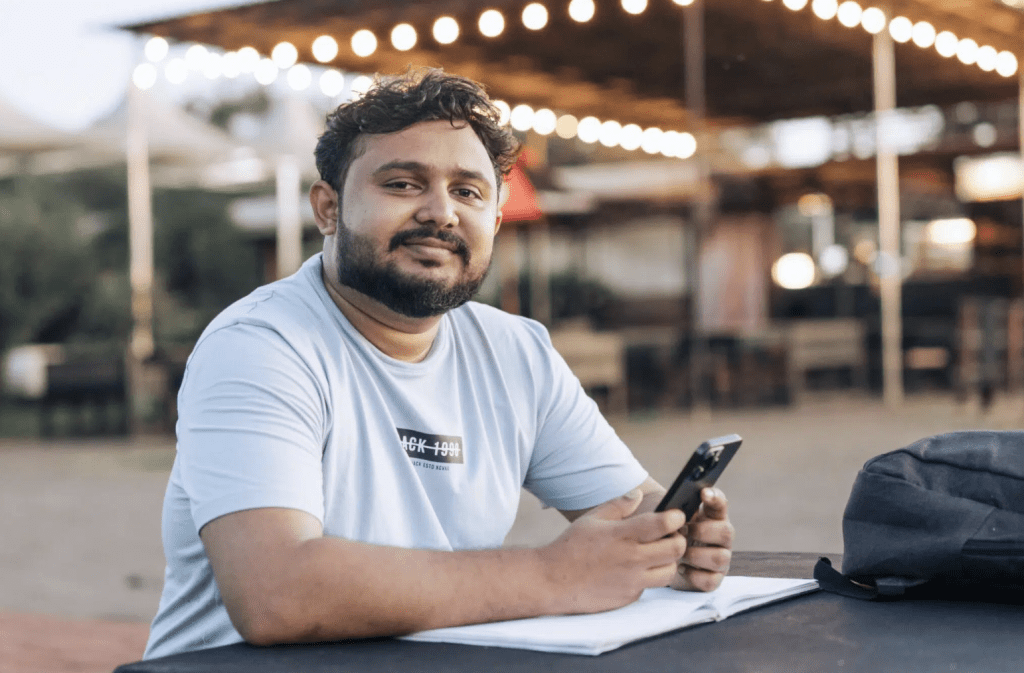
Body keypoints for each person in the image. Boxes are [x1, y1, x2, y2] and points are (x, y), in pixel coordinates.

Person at [143, 68, 734, 660]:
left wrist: (669, 544)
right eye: (403, 184)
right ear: (327, 208)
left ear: (495, 222)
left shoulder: (516, 352)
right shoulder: (261, 345)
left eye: (469, 192)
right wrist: (555, 576)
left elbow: (629, 507)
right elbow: (276, 592)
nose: (441, 213)